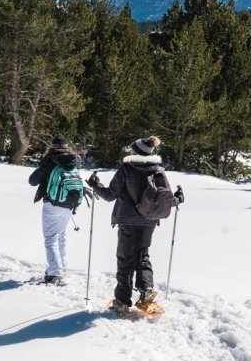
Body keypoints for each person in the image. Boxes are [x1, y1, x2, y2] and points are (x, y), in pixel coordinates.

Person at [87, 135, 183, 315]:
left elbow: (109, 195)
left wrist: (95, 184)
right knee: (143, 256)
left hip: (127, 221)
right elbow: (166, 199)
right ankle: (146, 291)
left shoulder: (126, 168)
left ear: (135, 151)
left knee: (125, 260)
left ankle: (122, 301)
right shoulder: (158, 170)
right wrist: (178, 198)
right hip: (149, 222)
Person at [27, 135, 82, 286]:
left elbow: (32, 181)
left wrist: (44, 168)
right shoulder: (74, 161)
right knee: (61, 236)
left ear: (52, 146)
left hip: (52, 204)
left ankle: (54, 273)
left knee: (51, 238)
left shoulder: (50, 161)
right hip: (69, 205)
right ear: (66, 146)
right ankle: (61, 267)